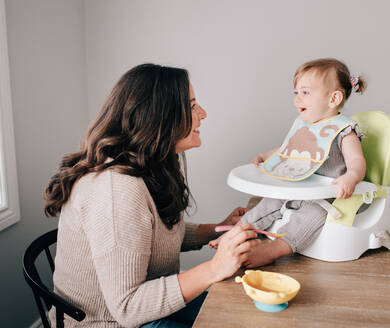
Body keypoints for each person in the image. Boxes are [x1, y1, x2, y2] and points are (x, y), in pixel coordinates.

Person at [43, 63, 261, 328]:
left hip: (146, 310)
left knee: (241, 314)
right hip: (107, 322)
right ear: (159, 117)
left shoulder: (150, 166)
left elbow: (154, 234)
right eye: (192, 105)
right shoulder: (117, 191)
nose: (203, 113)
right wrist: (214, 268)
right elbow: (127, 307)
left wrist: (219, 229)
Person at [211, 58, 367, 268]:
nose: (297, 99)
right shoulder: (305, 125)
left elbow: (357, 161)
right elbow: (288, 149)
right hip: (298, 186)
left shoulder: (344, 131)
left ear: (333, 98)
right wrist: (266, 155)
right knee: (267, 203)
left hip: (326, 197)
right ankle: (235, 234)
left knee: (311, 217)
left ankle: (273, 250)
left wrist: (350, 177)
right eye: (296, 93)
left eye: (305, 92)